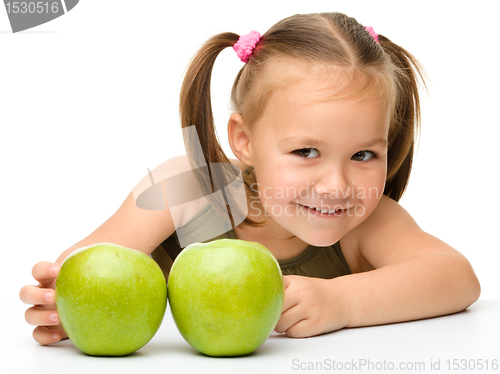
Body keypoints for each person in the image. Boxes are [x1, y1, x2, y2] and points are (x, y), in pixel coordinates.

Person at [19, 12, 480, 345]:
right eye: (306, 152)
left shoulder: (369, 221)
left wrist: (342, 302)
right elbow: (88, 265)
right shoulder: (192, 188)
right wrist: (58, 299)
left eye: (363, 154)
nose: (338, 186)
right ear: (243, 139)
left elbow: (457, 278)